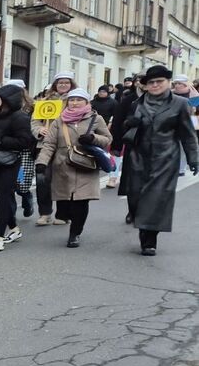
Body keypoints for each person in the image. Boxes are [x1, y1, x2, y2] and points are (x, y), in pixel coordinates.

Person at [122, 65, 199, 255]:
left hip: (166, 158)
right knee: (135, 196)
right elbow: (128, 127)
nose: (155, 85)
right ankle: (138, 217)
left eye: (159, 81)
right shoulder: (137, 103)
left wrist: (193, 158)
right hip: (138, 156)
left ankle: (149, 241)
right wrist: (130, 123)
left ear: (168, 83)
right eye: (151, 82)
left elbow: (188, 134)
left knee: (156, 199)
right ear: (146, 85)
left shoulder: (180, 103)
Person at [35, 88, 112, 248]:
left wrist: (93, 138)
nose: (74, 103)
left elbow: (107, 139)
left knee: (81, 203)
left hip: (86, 164)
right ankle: (65, 217)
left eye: (79, 100)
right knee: (66, 200)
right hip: (63, 165)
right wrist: (42, 162)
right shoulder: (59, 120)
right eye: (72, 100)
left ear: (86, 102)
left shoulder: (96, 119)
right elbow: (49, 143)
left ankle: (75, 233)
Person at [0, 84, 35, 252]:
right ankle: (14, 229)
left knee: (4, 199)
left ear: (8, 100)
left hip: (10, 164)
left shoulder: (19, 117)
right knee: (1, 198)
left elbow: (26, 142)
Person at [31, 72, 75, 226]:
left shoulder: (75, 100)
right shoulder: (45, 101)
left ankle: (63, 214)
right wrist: (39, 130)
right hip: (44, 145)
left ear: (71, 84)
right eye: (60, 82)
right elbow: (35, 121)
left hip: (66, 145)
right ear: (55, 84)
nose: (63, 85)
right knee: (42, 179)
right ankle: (45, 213)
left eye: (66, 82)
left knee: (64, 179)